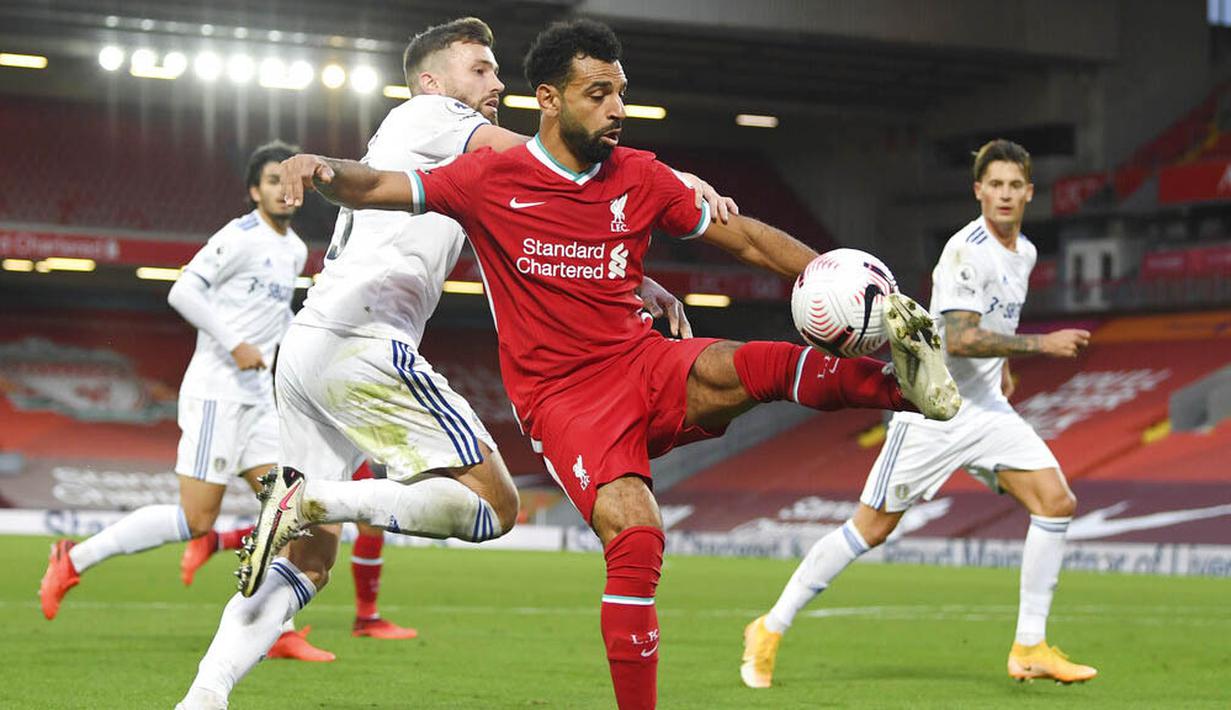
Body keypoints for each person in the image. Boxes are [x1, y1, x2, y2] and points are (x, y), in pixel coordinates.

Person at [267, 19, 959, 709]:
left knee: (754, 365)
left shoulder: (640, 176)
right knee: (636, 533)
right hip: (563, 401)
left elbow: (743, 239)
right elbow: (378, 187)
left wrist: (858, 291)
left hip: (639, 360)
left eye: (620, 92)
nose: (616, 109)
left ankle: (908, 389)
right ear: (549, 98)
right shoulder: (486, 176)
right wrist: (321, 170)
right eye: (597, 93)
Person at [175, 18, 713, 709]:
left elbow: (534, 239)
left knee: (307, 560)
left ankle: (203, 697)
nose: (495, 85)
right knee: (495, 505)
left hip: (308, 348)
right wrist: (657, 179)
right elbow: (550, 162)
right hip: (362, 341)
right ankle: (310, 500)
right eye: (479, 70)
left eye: (494, 72)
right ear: (432, 81)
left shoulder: (452, 169)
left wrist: (626, 279)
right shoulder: (434, 114)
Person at [740, 139, 1096, 688]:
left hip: (987, 410)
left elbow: (989, 325)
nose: (1003, 194)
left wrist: (1001, 366)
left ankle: (1029, 646)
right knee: (870, 529)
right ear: (978, 190)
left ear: (1029, 192)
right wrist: (1041, 346)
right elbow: (958, 334)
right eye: (993, 185)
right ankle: (769, 625)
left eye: (1013, 185)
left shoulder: (1022, 252)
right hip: (933, 408)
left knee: (1056, 502)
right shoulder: (965, 251)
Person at [36, 141, 332, 659]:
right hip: (217, 393)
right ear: (252, 191)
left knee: (286, 507)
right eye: (270, 182)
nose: (283, 191)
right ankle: (73, 558)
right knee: (197, 521)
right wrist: (235, 343)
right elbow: (184, 291)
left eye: (289, 181)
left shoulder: (291, 250)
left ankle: (272, 627)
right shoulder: (238, 237)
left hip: (259, 399)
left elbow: (273, 317)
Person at [181, 461, 419, 640]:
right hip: (325, 439)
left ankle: (220, 541)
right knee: (307, 521)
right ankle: (365, 618)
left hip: (342, 442)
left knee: (337, 521)